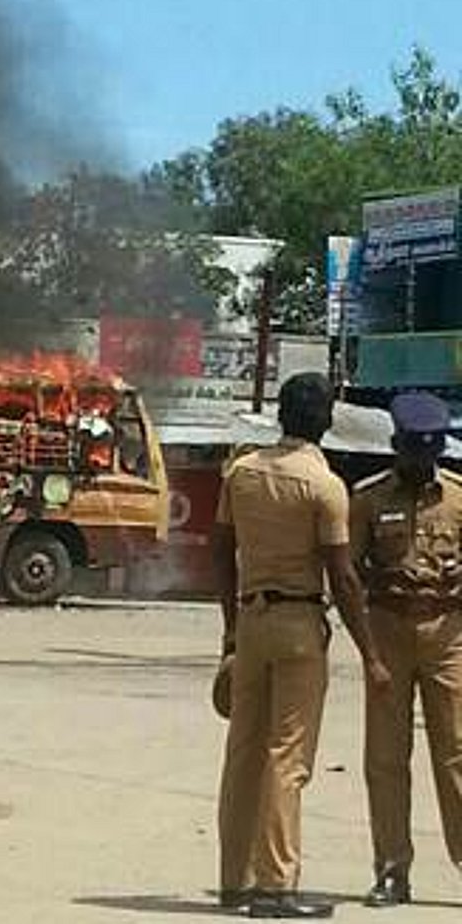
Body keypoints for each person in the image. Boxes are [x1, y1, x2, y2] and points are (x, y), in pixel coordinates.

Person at [213, 372, 389, 919]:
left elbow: (221, 553)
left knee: (242, 752)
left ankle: (234, 880)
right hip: (298, 623)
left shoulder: (240, 474)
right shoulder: (324, 485)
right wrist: (372, 655)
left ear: (280, 415)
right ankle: (276, 885)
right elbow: (343, 576)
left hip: (251, 619)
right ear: (326, 421)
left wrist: (231, 628)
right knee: (287, 758)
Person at [350, 391, 462, 908]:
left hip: (447, 638)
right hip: (388, 634)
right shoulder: (369, 500)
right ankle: (392, 869)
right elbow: (346, 570)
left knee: (457, 754)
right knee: (386, 758)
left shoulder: (460, 498)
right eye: (413, 453)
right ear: (396, 446)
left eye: (429, 454)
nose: (421, 463)